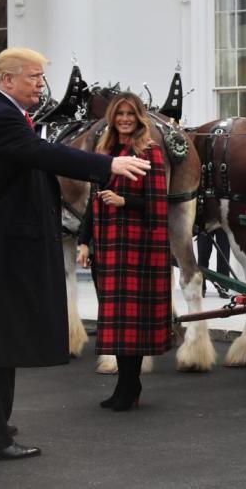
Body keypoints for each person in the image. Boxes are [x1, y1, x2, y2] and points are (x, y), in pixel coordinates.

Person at [0, 47, 152, 462]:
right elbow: (45, 156)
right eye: (34, 77)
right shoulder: (1, 116)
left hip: (0, 243)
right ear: (8, 79)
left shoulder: (1, 113)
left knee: (1, 339)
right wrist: (108, 164)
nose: (41, 85)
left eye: (41, 77)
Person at [75, 92, 172, 412]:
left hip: (138, 248)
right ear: (112, 118)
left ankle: (130, 385)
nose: (125, 119)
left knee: (133, 321)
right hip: (108, 246)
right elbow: (93, 200)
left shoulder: (150, 152)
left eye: (131, 113)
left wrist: (124, 201)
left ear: (139, 117)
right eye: (120, 114)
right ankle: (124, 385)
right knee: (115, 319)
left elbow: (158, 204)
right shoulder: (106, 152)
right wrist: (85, 241)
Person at [197, 228, 230, 298]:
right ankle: (201, 286)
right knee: (203, 254)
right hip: (204, 221)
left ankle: (223, 287)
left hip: (222, 221)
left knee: (224, 254)